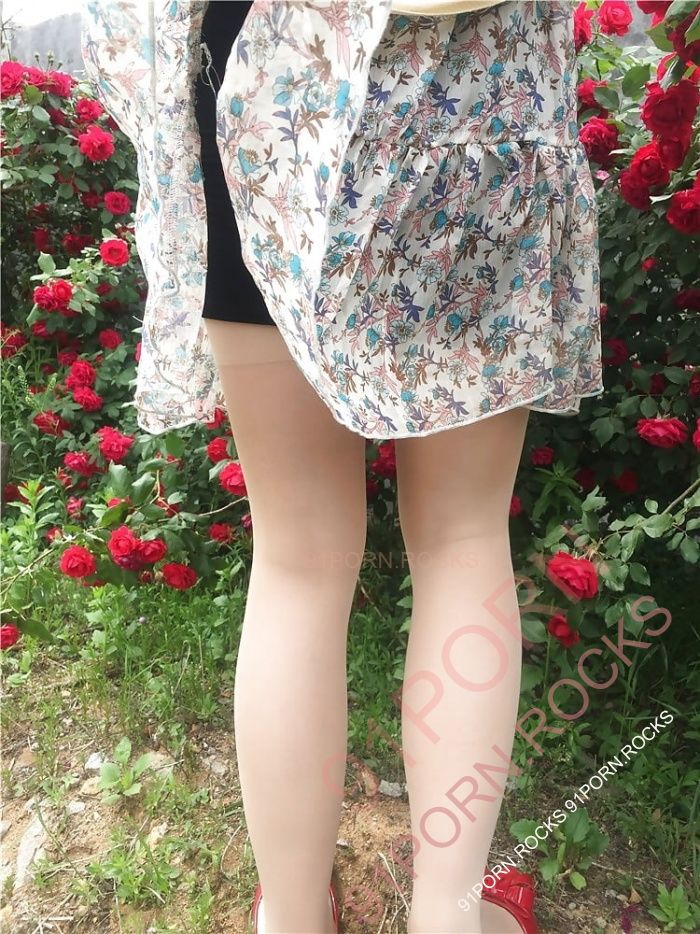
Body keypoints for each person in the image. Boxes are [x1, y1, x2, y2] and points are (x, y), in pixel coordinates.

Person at [81, 1, 603, 931]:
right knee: (461, 539)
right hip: (474, 97)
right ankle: (449, 919)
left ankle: (292, 918)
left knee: (299, 558)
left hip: (270, 94)